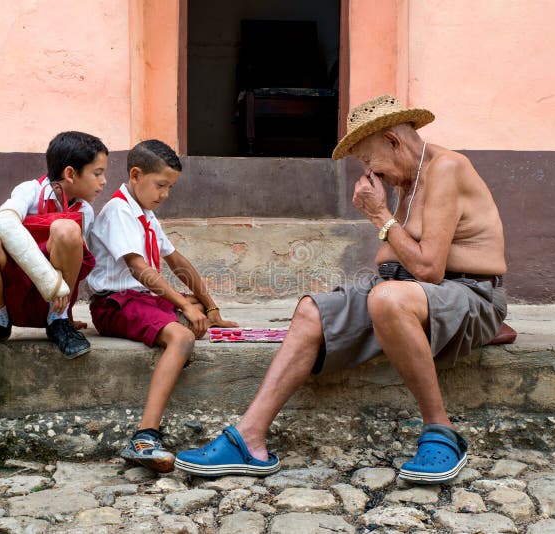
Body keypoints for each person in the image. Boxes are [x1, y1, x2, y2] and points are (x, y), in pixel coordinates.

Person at [175, 95, 508, 484]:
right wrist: (388, 227)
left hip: (468, 294)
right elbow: (391, 255)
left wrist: (379, 216)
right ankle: (249, 440)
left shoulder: (446, 168)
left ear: (393, 142)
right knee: (311, 309)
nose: (369, 172)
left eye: (369, 160)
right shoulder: (407, 179)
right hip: (407, 290)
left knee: (386, 298)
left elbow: (429, 268)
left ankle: (441, 430)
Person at [87, 139, 238, 473]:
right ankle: (144, 436)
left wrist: (210, 309)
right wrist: (185, 307)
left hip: (142, 299)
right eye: (161, 185)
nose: (165, 194)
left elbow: (176, 261)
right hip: (116, 303)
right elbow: (140, 270)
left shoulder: (146, 213)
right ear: (136, 175)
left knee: (193, 305)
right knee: (182, 338)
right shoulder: (118, 211)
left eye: (170, 187)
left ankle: (189, 315)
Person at [0, 131, 108, 361]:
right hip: (14, 291)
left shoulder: (85, 210)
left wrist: (65, 305)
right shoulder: (29, 191)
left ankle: (60, 322)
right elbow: (4, 222)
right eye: (97, 173)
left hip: (54, 304)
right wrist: (50, 282)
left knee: (66, 230)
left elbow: (77, 265)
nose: (103, 181)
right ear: (70, 174)